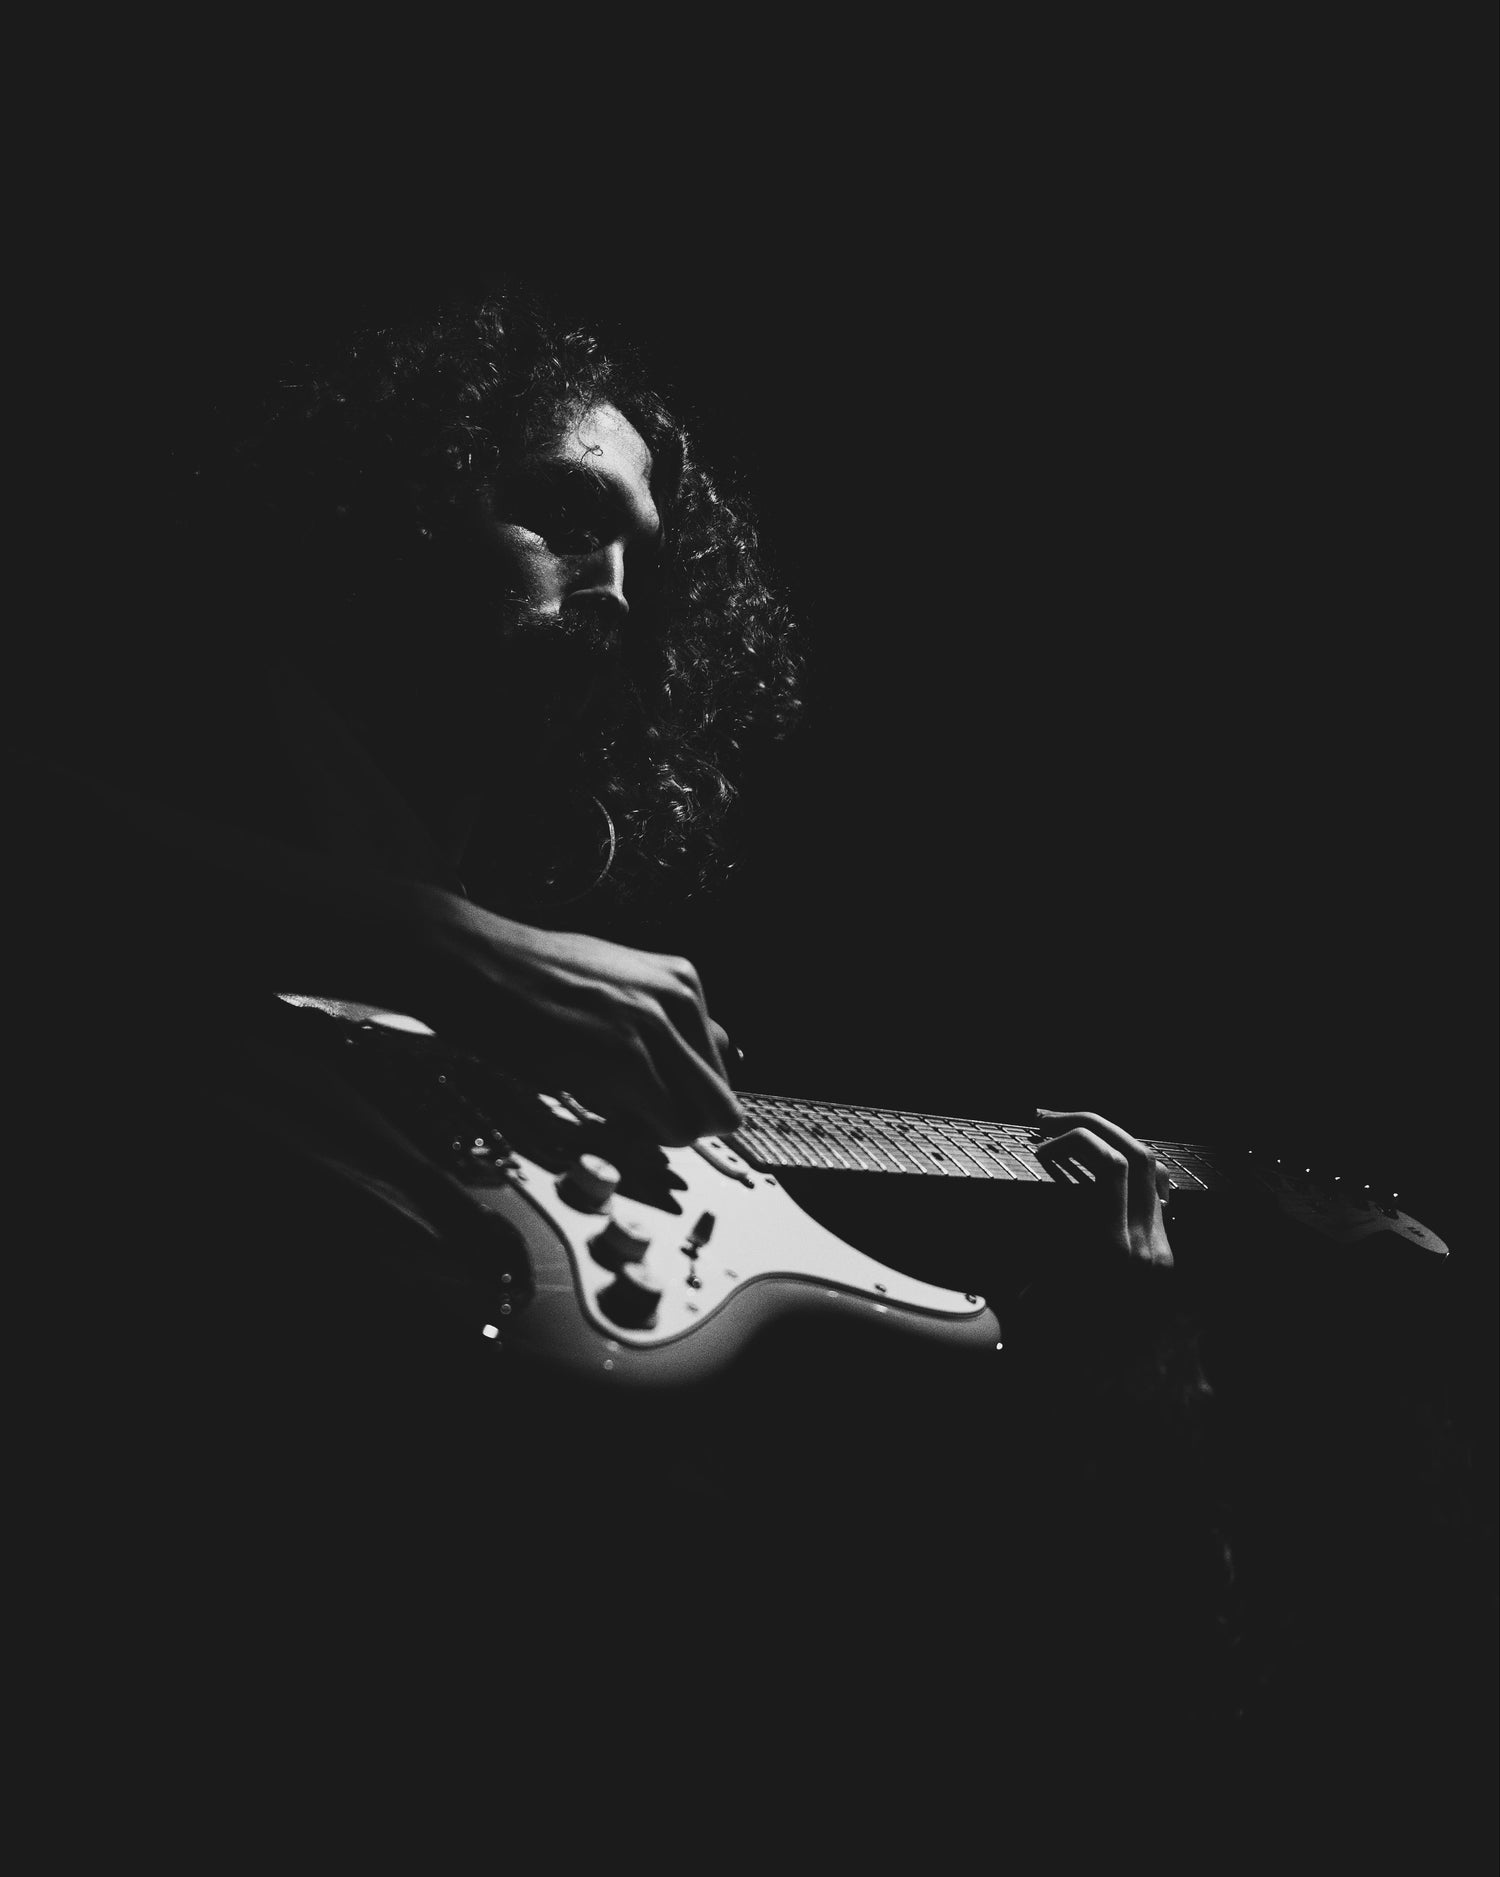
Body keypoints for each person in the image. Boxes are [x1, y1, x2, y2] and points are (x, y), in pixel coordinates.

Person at [11, 284, 1237, 1844]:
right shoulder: (171, 703)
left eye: (643, 558)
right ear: (391, 500)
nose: (611, 583)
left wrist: (1110, 1366)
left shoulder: (521, 924)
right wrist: (454, 947)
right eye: (562, 512)